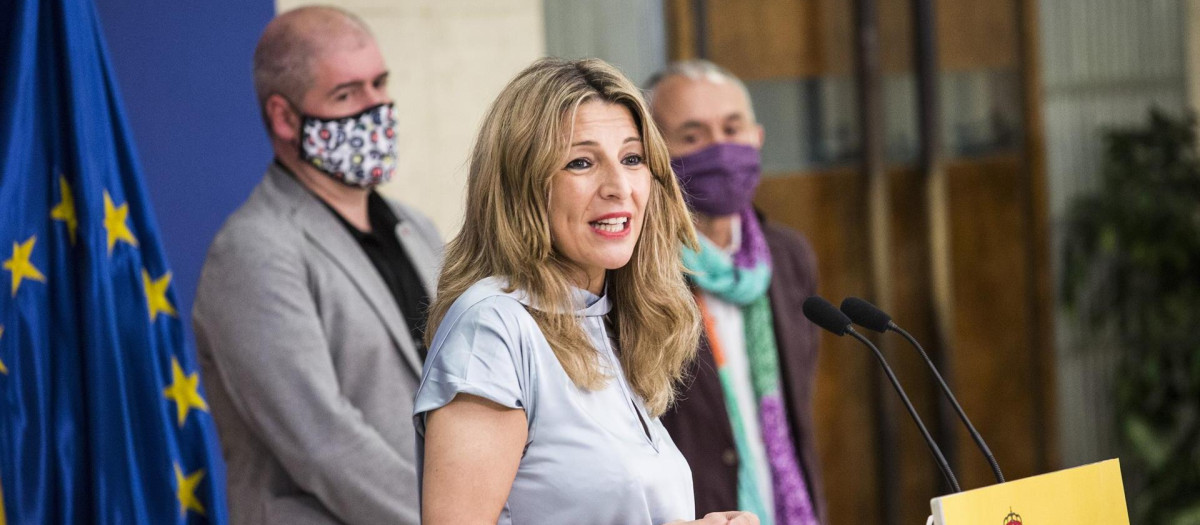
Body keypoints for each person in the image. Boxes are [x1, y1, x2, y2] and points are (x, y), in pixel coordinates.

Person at [412, 58, 757, 525]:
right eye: (581, 162)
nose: (619, 187)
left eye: (632, 159)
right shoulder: (492, 328)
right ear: (523, 185)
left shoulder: (606, 317)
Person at [192, 6, 440, 524]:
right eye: (347, 94)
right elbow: (322, 442)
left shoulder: (417, 229)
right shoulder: (252, 251)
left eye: (380, 83)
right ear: (284, 118)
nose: (378, 106)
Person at [646, 60, 826, 525]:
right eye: (692, 135)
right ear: (653, 155)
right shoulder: (639, 273)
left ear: (757, 137)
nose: (720, 150)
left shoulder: (788, 258)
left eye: (732, 128)